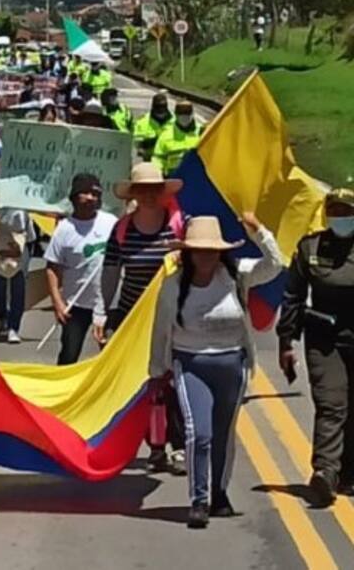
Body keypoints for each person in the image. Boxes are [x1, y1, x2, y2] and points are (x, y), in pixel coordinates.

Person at [149, 213, 283, 528]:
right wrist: (157, 372)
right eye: (199, 250)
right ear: (188, 252)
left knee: (223, 434)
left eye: (212, 250)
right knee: (199, 433)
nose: (206, 256)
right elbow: (160, 330)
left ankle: (219, 494)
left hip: (232, 364)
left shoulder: (237, 275)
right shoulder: (173, 285)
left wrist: (258, 230)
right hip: (190, 363)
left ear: (221, 252)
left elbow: (275, 264)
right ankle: (199, 500)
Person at [100, 162, 189, 475]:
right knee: (143, 386)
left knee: (173, 383)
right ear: (134, 194)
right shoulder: (122, 230)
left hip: (172, 317)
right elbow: (111, 272)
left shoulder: (180, 225)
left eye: (155, 190)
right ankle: (155, 446)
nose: (149, 196)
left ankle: (178, 445)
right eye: (143, 190)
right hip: (132, 319)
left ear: (163, 192)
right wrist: (103, 314)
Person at [277, 187, 354, 505]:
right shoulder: (310, 248)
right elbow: (293, 296)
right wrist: (286, 341)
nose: (340, 217)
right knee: (331, 403)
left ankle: (348, 473)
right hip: (325, 340)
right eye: (335, 211)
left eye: (346, 212)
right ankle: (325, 471)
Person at [44, 173, 117, 365]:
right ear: (75, 196)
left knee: (110, 356)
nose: (91, 198)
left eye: (95, 194)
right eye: (86, 193)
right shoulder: (64, 229)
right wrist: (57, 303)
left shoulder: (112, 223)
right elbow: (52, 267)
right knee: (69, 354)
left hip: (107, 303)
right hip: (75, 305)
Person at [0, 199, 33, 343]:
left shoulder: (23, 194)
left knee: (18, 286)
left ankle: (14, 327)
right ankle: (3, 318)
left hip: (20, 239)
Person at [153, 100, 204, 175]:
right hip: (173, 177)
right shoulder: (166, 135)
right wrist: (158, 172)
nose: (184, 117)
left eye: (187, 114)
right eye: (181, 114)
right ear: (176, 115)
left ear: (192, 114)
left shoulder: (202, 132)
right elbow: (158, 158)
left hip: (196, 176)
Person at [134, 92, 174, 162]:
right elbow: (137, 144)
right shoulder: (143, 121)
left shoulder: (175, 120)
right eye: (158, 107)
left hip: (172, 161)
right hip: (151, 161)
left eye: (163, 106)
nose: (161, 109)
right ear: (153, 106)